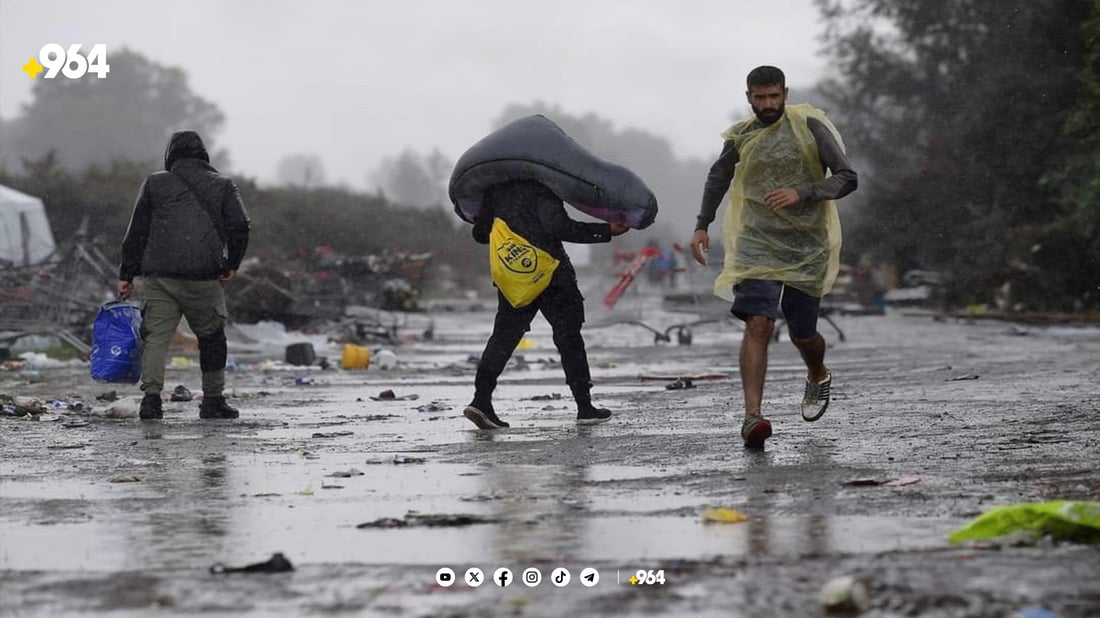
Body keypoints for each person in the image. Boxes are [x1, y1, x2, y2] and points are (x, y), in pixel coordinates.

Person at [689, 66, 858, 448]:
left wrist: (805, 191)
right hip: (756, 239)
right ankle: (752, 417)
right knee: (758, 323)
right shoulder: (741, 135)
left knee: (803, 334)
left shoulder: (810, 126)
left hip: (805, 243)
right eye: (760, 98)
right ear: (748, 97)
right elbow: (718, 177)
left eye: (774, 97)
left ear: (785, 93)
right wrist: (702, 224)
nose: (768, 105)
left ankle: (817, 373)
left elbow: (848, 177)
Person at [464, 180, 629, 429]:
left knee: (503, 338)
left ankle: (481, 400)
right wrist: (606, 230)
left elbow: (480, 234)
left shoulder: (494, 189)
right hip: (553, 276)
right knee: (569, 339)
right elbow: (559, 227)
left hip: (516, 277)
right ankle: (584, 406)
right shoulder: (542, 185)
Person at [117, 130, 251, 421]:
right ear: (204, 154)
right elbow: (240, 226)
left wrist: (126, 273)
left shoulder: (154, 183)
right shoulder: (223, 185)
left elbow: (136, 230)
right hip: (203, 277)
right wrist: (232, 263)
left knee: (156, 338)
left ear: (171, 155)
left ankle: (151, 401)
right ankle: (213, 401)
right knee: (212, 337)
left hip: (159, 277)